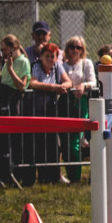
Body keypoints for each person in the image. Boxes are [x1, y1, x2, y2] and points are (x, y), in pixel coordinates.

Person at [29, 43, 72, 184]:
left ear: (56, 58)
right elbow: (33, 83)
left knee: (54, 144)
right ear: (41, 57)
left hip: (52, 110)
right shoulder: (36, 67)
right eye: (46, 56)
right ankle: (42, 177)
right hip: (38, 110)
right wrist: (54, 87)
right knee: (40, 143)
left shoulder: (57, 67)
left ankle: (54, 176)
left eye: (52, 56)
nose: (49, 59)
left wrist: (64, 86)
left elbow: (68, 81)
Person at [0, 35, 31, 183]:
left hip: (12, 99)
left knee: (11, 140)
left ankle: (13, 173)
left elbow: (22, 86)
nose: (3, 52)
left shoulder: (23, 62)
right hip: (1, 96)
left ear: (14, 48)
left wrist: (10, 68)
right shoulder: (6, 61)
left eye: (5, 49)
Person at [62, 35, 96, 182]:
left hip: (80, 103)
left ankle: (75, 176)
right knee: (65, 141)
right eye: (72, 47)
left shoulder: (86, 63)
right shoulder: (62, 65)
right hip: (64, 103)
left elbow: (93, 81)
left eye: (79, 47)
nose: (75, 50)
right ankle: (69, 173)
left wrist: (84, 85)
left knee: (75, 140)